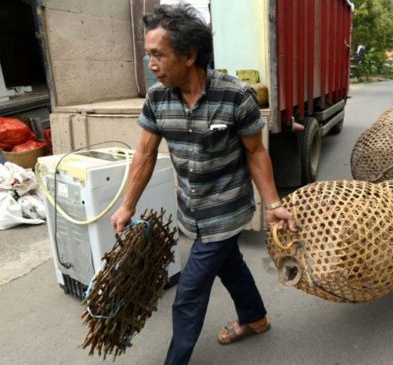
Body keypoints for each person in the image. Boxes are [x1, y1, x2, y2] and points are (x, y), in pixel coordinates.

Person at [109, 4, 296, 364]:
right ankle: (255, 318)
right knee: (231, 265)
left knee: (189, 292)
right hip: (190, 210)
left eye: (159, 55)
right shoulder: (157, 99)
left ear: (190, 55)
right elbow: (145, 155)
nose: (152, 64)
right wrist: (127, 205)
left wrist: (273, 205)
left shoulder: (235, 96)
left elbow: (256, 152)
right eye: (148, 55)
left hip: (225, 211)